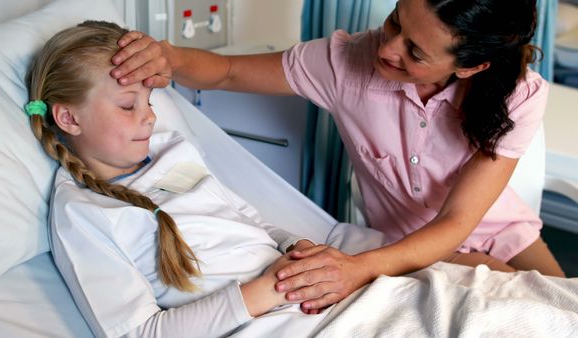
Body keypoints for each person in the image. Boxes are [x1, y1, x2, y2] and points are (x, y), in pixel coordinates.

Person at [110, 0, 567, 313]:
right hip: (409, 248)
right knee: (531, 309)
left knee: (565, 304)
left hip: (505, 231)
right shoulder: (347, 63)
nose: (387, 48)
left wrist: (355, 270)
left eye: (415, 50)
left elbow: (457, 222)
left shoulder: (519, 94)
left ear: (469, 66)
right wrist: (167, 56)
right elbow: (228, 71)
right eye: (395, 22)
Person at [24, 20, 382, 337]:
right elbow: (140, 332)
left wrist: (293, 246)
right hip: (274, 320)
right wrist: (273, 288)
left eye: (149, 101)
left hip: (312, 293)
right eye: (127, 105)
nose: (149, 117)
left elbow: (249, 220)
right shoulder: (82, 211)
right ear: (69, 118)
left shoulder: (174, 149)